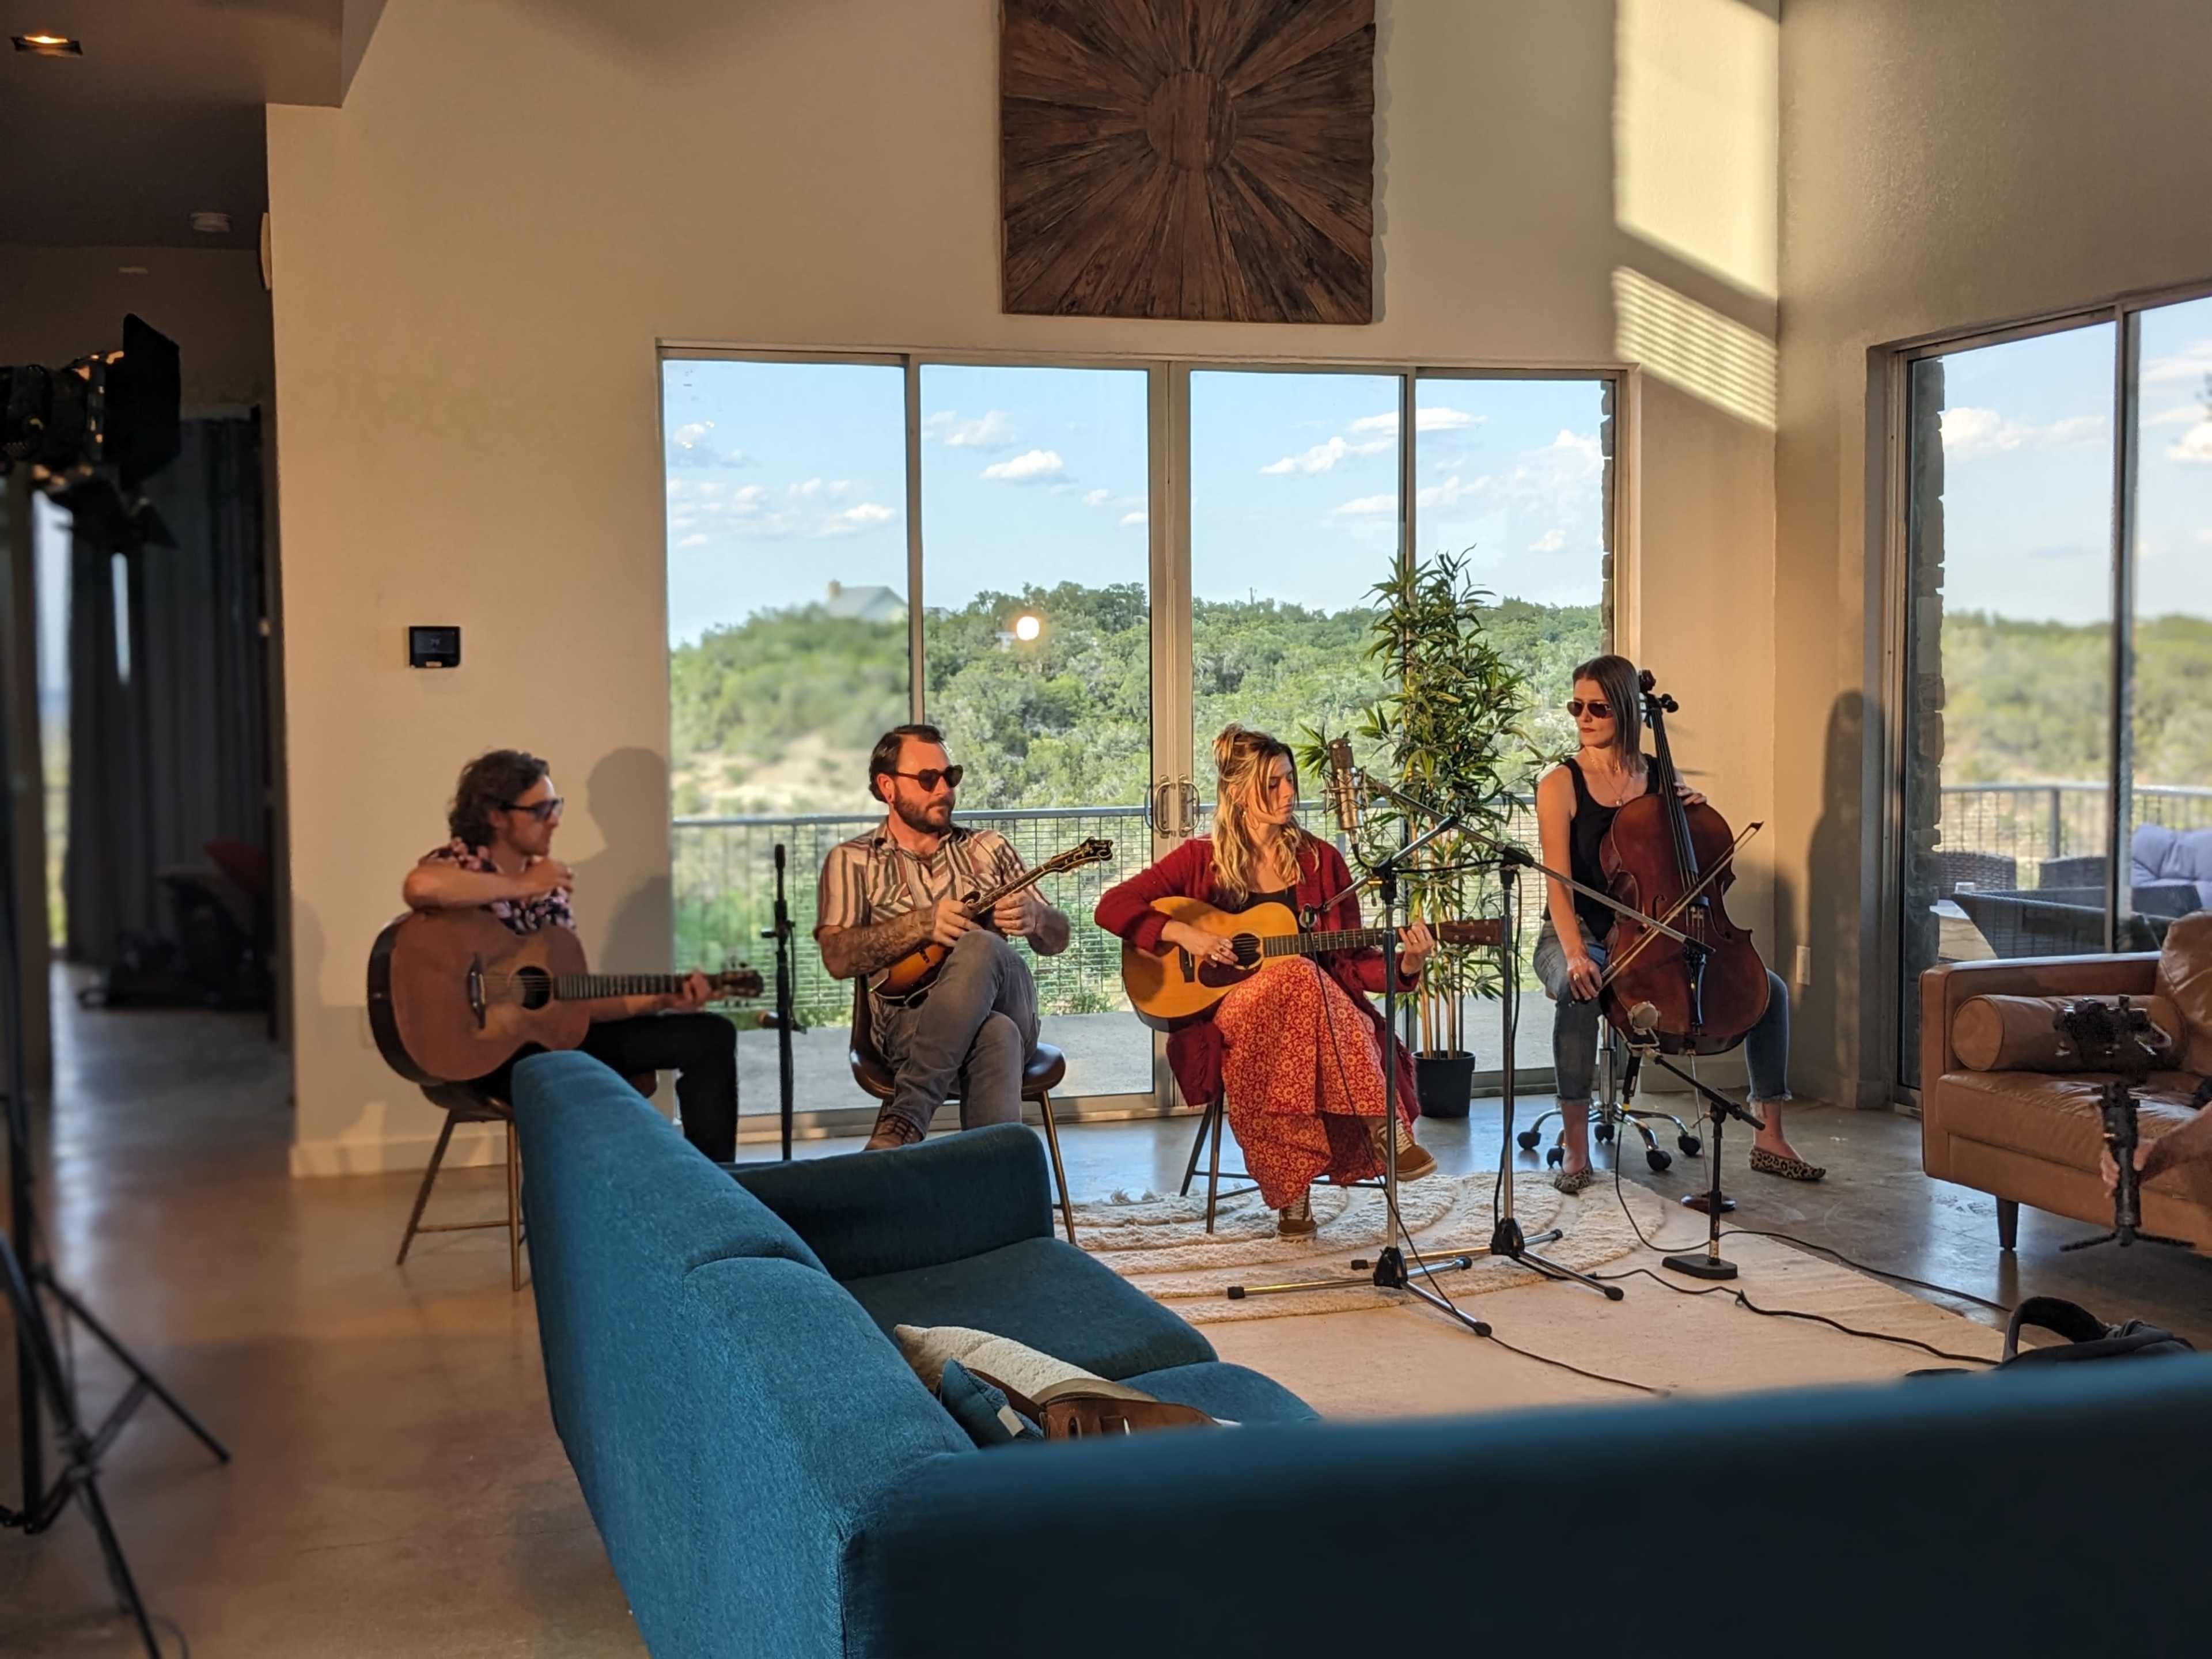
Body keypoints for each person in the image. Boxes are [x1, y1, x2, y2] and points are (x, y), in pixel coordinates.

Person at [1095, 723, 1438, 1238]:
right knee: (1299, 974)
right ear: (1237, 793)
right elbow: (1111, 906)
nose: (1289, 794)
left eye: (1289, 780)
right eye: (1273, 784)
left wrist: (1408, 966)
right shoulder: (1199, 859)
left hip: (1310, 1023)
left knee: (1300, 989)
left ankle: (1294, 1197)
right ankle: (1383, 1127)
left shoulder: (1321, 861)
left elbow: (1352, 960)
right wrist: (1181, 933)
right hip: (1227, 1017)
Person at [1531, 653, 1821, 1192]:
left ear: (1625, 710)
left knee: (1770, 992)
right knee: (1579, 992)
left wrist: (1694, 812)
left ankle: (1770, 1137)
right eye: (1577, 706)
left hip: (1654, 930)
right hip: (1579, 932)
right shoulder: (1560, 784)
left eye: (1597, 707)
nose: (1584, 717)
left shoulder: (1662, 775)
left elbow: (1683, 868)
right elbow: (1558, 884)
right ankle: (1575, 1148)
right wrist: (1574, 954)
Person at [400, 749, 739, 1161]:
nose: (555, 819)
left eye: (555, 806)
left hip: (547, 1044)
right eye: (540, 810)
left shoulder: (550, 885)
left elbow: (569, 1005)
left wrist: (662, 999)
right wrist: (522, 885)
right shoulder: (460, 862)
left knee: (710, 1035)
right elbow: (420, 886)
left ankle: (718, 1190)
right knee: (573, 1075)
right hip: (480, 1059)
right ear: (495, 815)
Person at [816, 724, 1071, 1150]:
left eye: (950, 777)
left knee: (981, 944)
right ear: (887, 786)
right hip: (907, 1032)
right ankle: (993, 1207)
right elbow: (837, 959)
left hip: (1009, 1001)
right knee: (996, 1035)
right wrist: (922, 924)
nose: (944, 790)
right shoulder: (852, 861)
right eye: (928, 779)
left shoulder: (990, 848)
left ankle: (909, 1112)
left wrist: (1037, 917)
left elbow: (1058, 939)